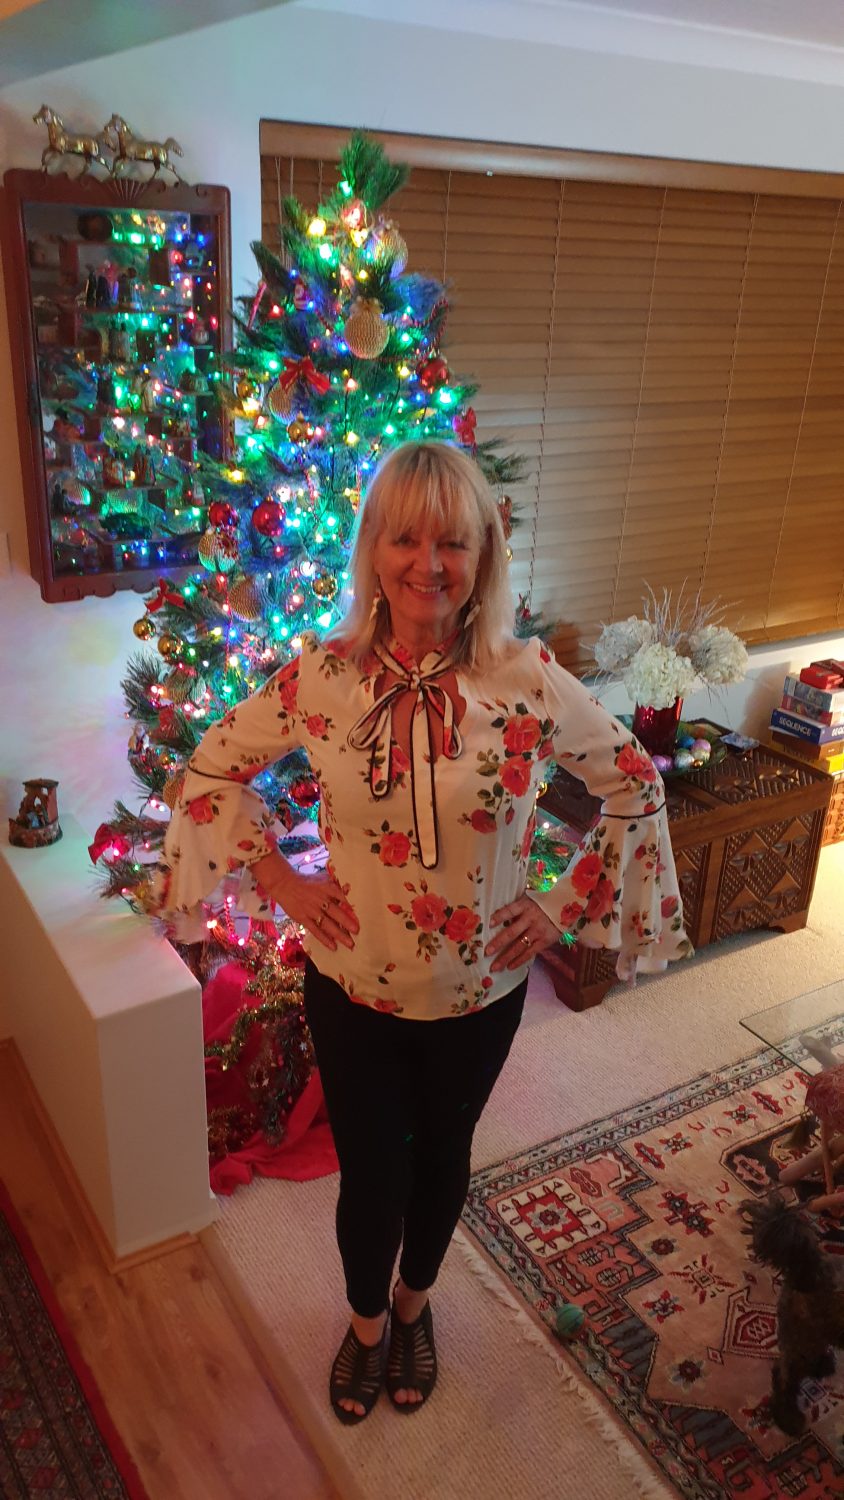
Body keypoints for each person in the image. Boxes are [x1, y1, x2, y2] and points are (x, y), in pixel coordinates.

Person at [154, 441, 692, 1424]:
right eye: (404, 537)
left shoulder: (524, 678)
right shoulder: (321, 677)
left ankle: (414, 1308)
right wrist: (277, 876)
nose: (428, 562)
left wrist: (564, 901)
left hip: (479, 990)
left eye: (453, 540)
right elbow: (208, 768)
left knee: (444, 1156)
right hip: (352, 983)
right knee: (371, 1173)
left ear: (482, 554)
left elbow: (633, 778)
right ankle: (365, 1324)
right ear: (373, 550)